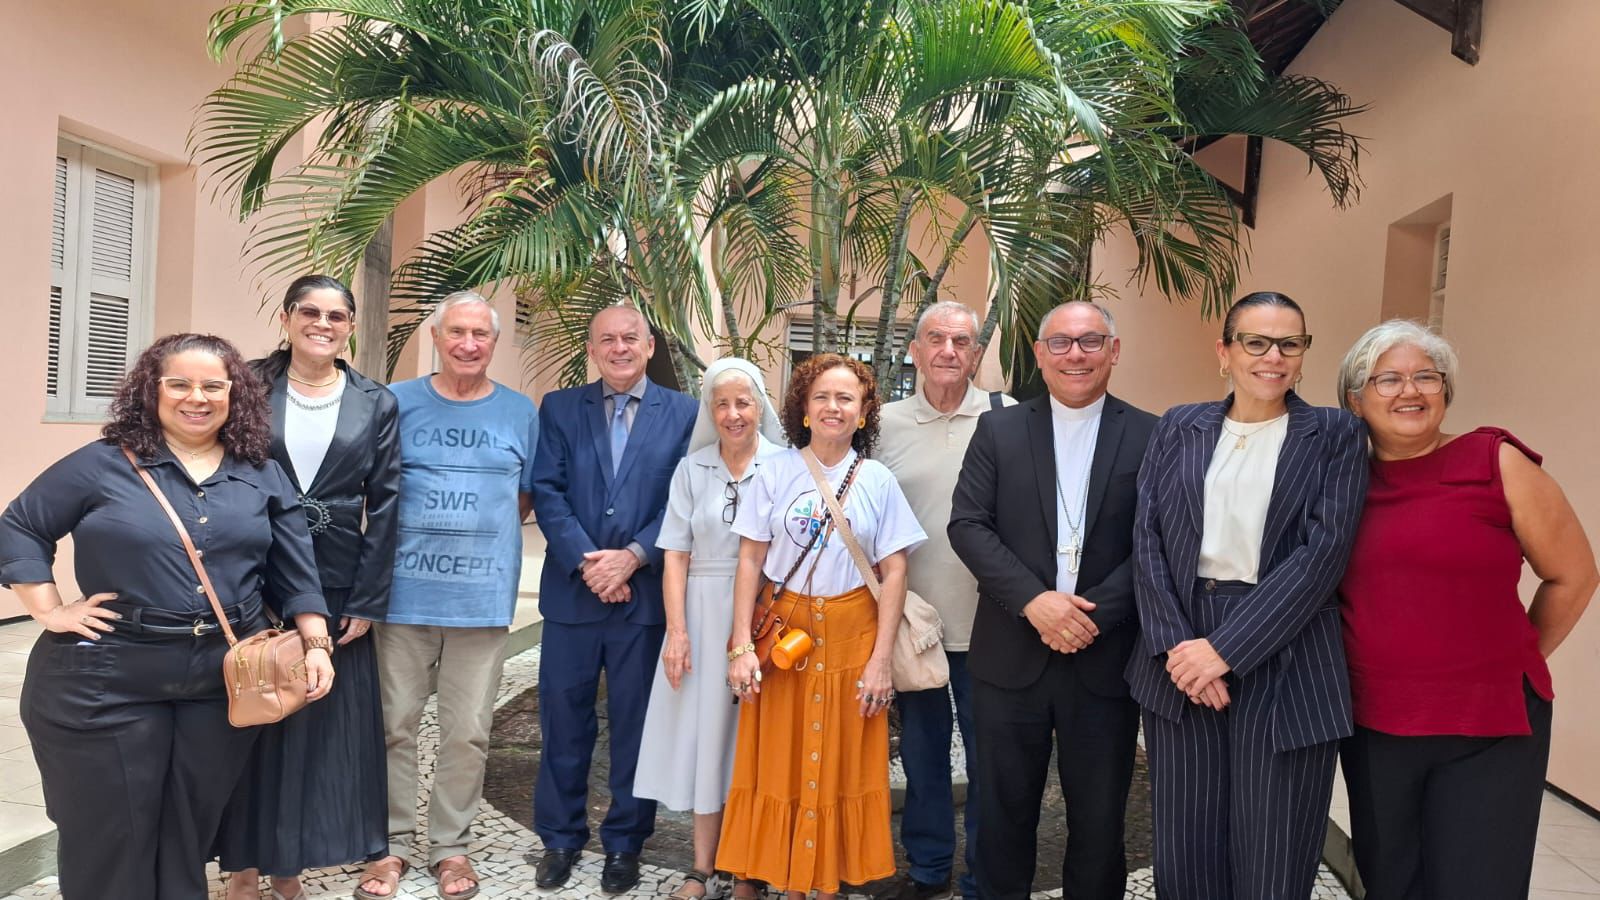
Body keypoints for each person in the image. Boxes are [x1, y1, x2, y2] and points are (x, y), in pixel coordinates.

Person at [0, 333, 334, 900]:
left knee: (189, 829)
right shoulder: (102, 464)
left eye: (212, 385)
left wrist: (317, 642)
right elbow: (21, 524)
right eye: (178, 383)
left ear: (235, 393)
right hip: (107, 676)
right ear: (151, 390)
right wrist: (49, 609)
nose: (195, 397)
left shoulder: (260, 472)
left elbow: (296, 567)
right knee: (111, 829)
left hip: (217, 679)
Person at [1335, 320, 1597, 900]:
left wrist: (1513, 655)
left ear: (1446, 391)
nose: (1411, 391)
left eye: (1427, 376)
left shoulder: (1495, 461)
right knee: (1391, 881)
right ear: (1355, 397)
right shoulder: (1337, 479)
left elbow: (1572, 575)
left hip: (1492, 726)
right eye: (1389, 379)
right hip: (1373, 723)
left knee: (1478, 884)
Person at [1126, 292, 1367, 900]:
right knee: (1186, 849)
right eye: (1256, 342)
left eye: (1290, 343)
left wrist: (1224, 650)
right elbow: (1147, 535)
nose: (1274, 356)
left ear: (1304, 354)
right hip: (1180, 649)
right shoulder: (1180, 423)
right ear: (1225, 352)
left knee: (1274, 852)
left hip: (1287, 645)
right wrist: (1182, 647)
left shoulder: (1336, 433)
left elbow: (1324, 553)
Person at [948, 301, 1155, 900]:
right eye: (1060, 343)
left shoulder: (1151, 432)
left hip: (1104, 658)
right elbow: (968, 525)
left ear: (1113, 351)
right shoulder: (1000, 430)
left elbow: (1161, 542)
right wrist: (1036, 602)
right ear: (1039, 355)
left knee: (1099, 822)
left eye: (1091, 341)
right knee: (1003, 816)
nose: (1076, 355)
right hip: (1010, 656)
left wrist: (1094, 614)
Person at [217, 275, 401, 900]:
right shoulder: (247, 384)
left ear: (351, 326)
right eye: (310, 312)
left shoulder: (376, 401)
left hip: (340, 576)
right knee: (251, 710)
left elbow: (388, 502)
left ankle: (290, 864)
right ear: (287, 317)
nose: (323, 324)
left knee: (315, 722)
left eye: (337, 316)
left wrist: (369, 598)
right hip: (252, 566)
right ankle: (242, 864)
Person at [720, 353, 927, 900]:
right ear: (804, 411)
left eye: (846, 399)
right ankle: (760, 870)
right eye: (821, 398)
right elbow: (749, 560)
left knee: (842, 760)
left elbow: (895, 570)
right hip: (783, 636)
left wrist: (881, 660)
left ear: (863, 414)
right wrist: (741, 645)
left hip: (853, 637)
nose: (833, 407)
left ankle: (821, 879)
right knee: (773, 759)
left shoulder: (878, 480)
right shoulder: (774, 471)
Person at [366, 291, 539, 900]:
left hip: (481, 601)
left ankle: (451, 848)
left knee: (467, 731)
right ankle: (389, 845)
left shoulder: (520, 412)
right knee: (394, 727)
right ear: (435, 338)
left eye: (481, 335)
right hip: (402, 597)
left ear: (494, 343)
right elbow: (371, 488)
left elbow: (525, 499)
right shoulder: (395, 402)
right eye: (457, 332)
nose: (469, 344)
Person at [529, 304, 698, 894]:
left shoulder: (684, 413)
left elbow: (685, 499)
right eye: (607, 340)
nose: (619, 348)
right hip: (574, 596)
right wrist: (588, 561)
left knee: (635, 727)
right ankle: (560, 838)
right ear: (592, 349)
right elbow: (545, 490)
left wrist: (633, 557)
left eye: (630, 338)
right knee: (563, 723)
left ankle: (625, 843)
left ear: (650, 346)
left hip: (644, 600)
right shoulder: (558, 408)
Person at [633, 357, 786, 900]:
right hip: (699, 609)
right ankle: (702, 866)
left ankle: (747, 868)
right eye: (721, 403)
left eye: (743, 401)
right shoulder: (691, 469)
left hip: (765, 616)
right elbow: (674, 555)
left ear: (761, 405)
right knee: (706, 739)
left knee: (754, 742)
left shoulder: (786, 465)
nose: (733, 413)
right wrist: (678, 633)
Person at [875, 300, 1012, 900]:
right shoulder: (881, 425)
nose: (949, 351)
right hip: (914, 628)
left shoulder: (1009, 419)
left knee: (992, 761)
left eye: (962, 341)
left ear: (977, 353)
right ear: (915, 349)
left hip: (993, 627)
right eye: (936, 339)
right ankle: (929, 870)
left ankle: (984, 875)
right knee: (924, 759)